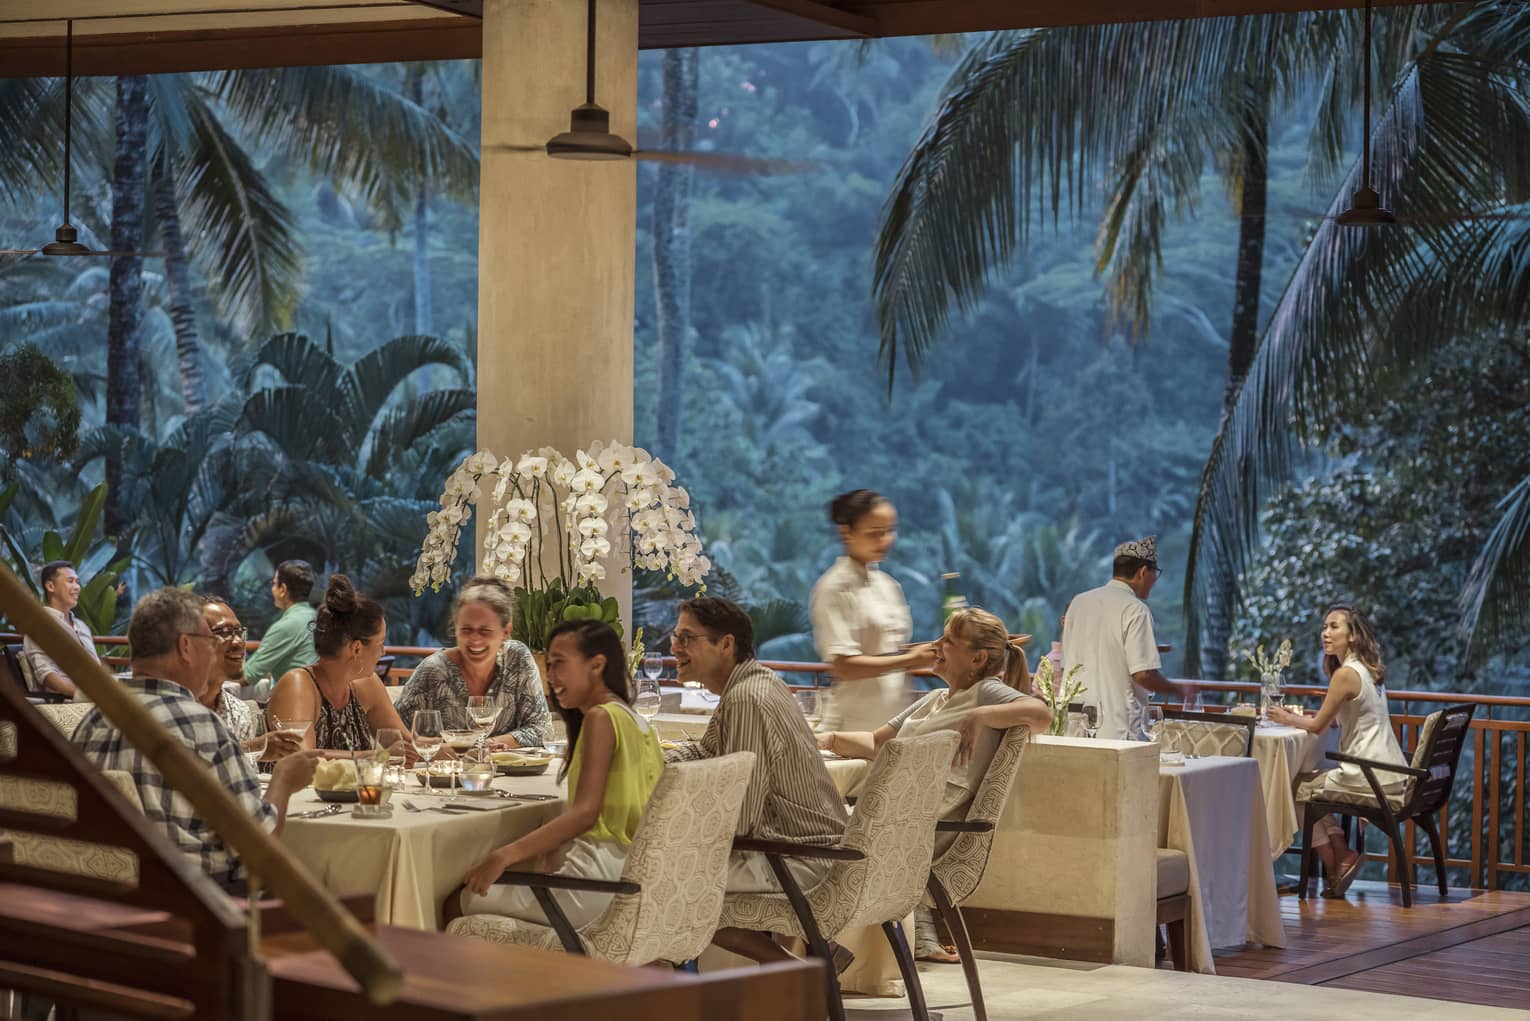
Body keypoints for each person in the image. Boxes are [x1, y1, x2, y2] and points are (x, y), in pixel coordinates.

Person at [817, 607, 1050, 962]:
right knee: (804, 822)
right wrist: (826, 739)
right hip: (900, 814)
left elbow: (1041, 715)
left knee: (804, 833)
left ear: (978, 658)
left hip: (925, 821)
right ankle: (818, 950)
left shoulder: (986, 692)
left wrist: (978, 715)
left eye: (948, 641)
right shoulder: (933, 700)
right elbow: (878, 744)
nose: (935, 645)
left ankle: (809, 953)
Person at [72, 588, 321, 894]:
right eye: (211, 641)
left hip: (107, 901)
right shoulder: (200, 724)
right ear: (186, 646)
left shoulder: (92, 721)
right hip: (200, 903)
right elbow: (257, 844)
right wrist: (283, 779)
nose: (216, 651)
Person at [666, 596, 851, 966]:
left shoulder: (746, 699)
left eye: (687, 638)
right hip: (813, 848)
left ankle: (794, 974)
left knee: (667, 885)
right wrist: (643, 757)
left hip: (800, 858)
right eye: (675, 637)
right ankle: (817, 959)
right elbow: (708, 752)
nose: (674, 647)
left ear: (726, 644)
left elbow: (741, 817)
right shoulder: (756, 682)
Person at [453, 620, 663, 928]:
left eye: (559, 664)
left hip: (593, 884)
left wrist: (502, 856)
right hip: (632, 878)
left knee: (455, 900)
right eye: (548, 665)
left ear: (597, 665)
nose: (550, 676)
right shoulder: (635, 719)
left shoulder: (600, 718)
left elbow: (585, 815)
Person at [1268, 606, 1408, 898]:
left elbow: (1318, 726)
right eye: (1324, 627)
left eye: (1334, 627)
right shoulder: (1365, 670)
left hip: (1369, 774)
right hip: (1388, 771)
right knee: (1308, 787)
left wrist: (1284, 717)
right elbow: (1333, 718)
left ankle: (1335, 862)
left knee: (1295, 791)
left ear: (1353, 635)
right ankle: (1341, 852)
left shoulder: (1345, 674)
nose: (1325, 633)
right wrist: (1311, 718)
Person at [809, 489, 935, 732]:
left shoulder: (888, 585)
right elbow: (844, 666)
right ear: (846, 532)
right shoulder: (834, 588)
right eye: (874, 533)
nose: (884, 540)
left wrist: (929, 651)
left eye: (889, 531)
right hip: (852, 726)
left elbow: (888, 650)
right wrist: (910, 660)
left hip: (891, 724)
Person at [394, 576, 553, 749]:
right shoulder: (433, 672)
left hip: (512, 774)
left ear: (505, 632)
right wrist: (474, 749)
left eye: (485, 630)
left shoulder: (518, 659)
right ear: (455, 628)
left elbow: (541, 729)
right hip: (447, 775)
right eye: (467, 629)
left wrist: (488, 745)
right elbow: (397, 739)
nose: (475, 639)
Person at [264, 574, 409, 754]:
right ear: (356, 649)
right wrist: (378, 756)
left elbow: (408, 746)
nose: (383, 652)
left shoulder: (366, 684)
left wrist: (448, 747)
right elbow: (302, 760)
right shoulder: (298, 686)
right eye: (380, 644)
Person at [1063, 536, 1180, 740]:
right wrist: (1177, 689)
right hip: (1117, 729)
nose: (1154, 581)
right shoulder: (1135, 610)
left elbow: (1069, 664)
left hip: (1074, 724)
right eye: (1155, 573)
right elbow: (1143, 674)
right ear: (1143, 572)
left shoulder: (1078, 603)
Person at [197, 597, 301, 762]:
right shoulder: (172, 707)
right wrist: (253, 747)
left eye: (239, 632)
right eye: (224, 632)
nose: (239, 642)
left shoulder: (239, 712)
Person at [21, 560, 100, 699]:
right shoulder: (40, 625)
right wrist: (88, 695)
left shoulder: (81, 626)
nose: (77, 587)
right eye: (70, 581)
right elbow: (48, 676)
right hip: (68, 701)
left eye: (77, 582)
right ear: (50, 586)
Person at [241, 559, 319, 696]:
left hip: (292, 705)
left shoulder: (286, 626)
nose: (272, 588)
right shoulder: (316, 617)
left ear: (282, 589)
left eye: (273, 584)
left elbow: (248, 675)